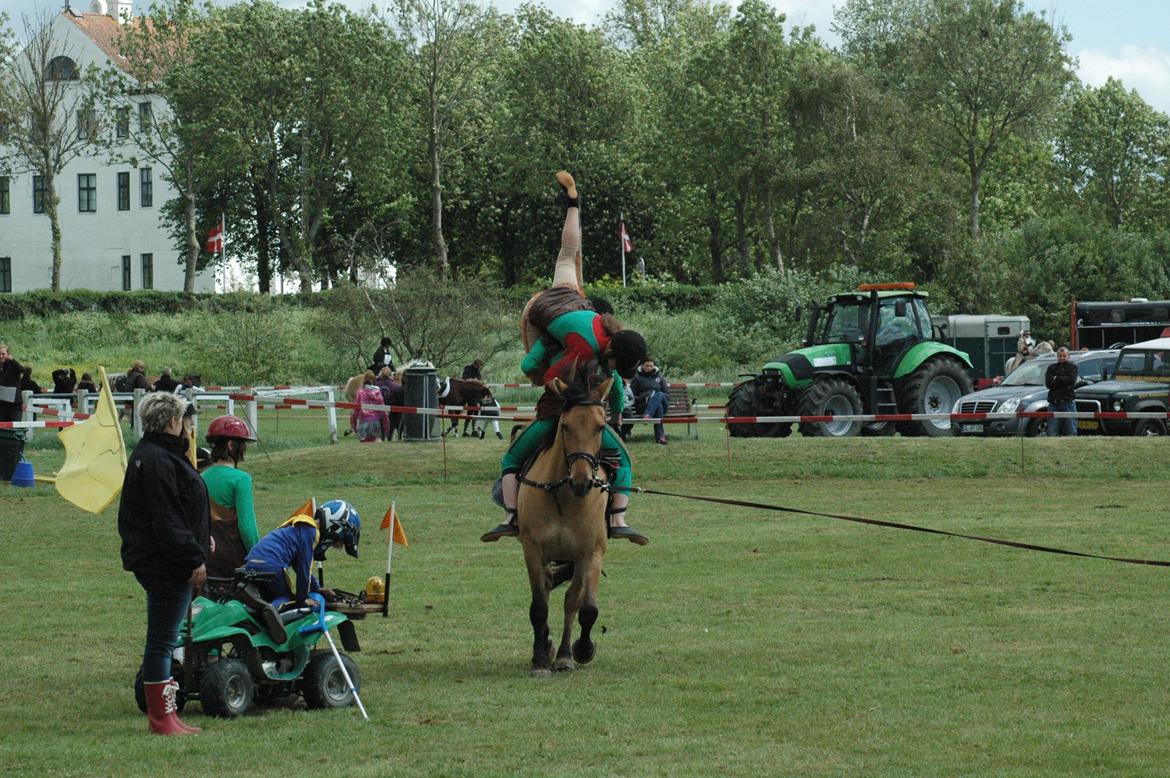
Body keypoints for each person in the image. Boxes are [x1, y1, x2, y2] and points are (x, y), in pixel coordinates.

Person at [482, 171, 649, 545]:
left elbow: (614, 384)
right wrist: (607, 414)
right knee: (621, 460)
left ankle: (574, 201)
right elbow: (545, 376)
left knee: (568, 252)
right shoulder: (583, 352)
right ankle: (617, 520)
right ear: (611, 353)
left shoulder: (603, 324)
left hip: (569, 294)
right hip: (539, 315)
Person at [117, 393, 208, 736]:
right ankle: (161, 718)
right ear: (173, 422)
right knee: (162, 640)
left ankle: (167, 714)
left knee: (166, 638)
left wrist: (201, 540)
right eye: (185, 420)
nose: (188, 426)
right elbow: (167, 519)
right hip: (166, 564)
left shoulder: (155, 455)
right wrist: (193, 557)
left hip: (163, 559)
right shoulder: (157, 460)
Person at [244, 499, 360, 609]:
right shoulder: (311, 533)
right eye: (340, 540)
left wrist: (318, 589)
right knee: (287, 598)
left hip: (251, 562)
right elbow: (304, 570)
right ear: (336, 528)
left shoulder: (300, 529)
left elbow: (297, 563)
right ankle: (270, 612)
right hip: (272, 565)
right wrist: (302, 599)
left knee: (267, 596)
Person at [202, 416, 260, 578]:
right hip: (233, 556)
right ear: (231, 444)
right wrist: (259, 556)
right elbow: (247, 528)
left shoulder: (201, 477)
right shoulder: (241, 479)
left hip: (207, 555)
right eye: (242, 445)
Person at [631, 358, 670, 445]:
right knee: (658, 406)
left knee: (659, 394)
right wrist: (643, 397)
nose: (649, 368)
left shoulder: (660, 377)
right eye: (647, 366)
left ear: (654, 366)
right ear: (642, 366)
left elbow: (667, 395)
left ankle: (648, 415)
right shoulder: (637, 378)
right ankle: (660, 436)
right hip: (643, 405)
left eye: (651, 366)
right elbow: (632, 397)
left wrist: (656, 396)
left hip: (663, 404)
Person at [1045, 347, 1079, 437]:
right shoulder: (1051, 368)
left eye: (1064, 356)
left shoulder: (1073, 367)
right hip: (1053, 403)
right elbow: (1048, 384)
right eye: (1060, 356)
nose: (1062, 358)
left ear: (1068, 356)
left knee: (1071, 431)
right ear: (1057, 357)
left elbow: (1071, 381)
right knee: (1052, 432)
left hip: (1068, 402)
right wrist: (1064, 380)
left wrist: (1057, 378)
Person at [350, 371, 389, 442]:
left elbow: (356, 409)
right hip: (376, 422)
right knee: (376, 444)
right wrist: (386, 425)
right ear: (374, 380)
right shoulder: (378, 392)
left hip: (363, 421)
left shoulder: (360, 392)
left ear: (364, 380)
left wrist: (353, 423)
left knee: (364, 446)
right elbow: (383, 409)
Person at [0, 343, 21, 423]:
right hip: (2, 403)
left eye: (3, 354)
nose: (1, 356)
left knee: (15, 428)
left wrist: (13, 360)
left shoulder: (13, 365)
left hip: (14, 404)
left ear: (8, 354)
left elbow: (21, 369)